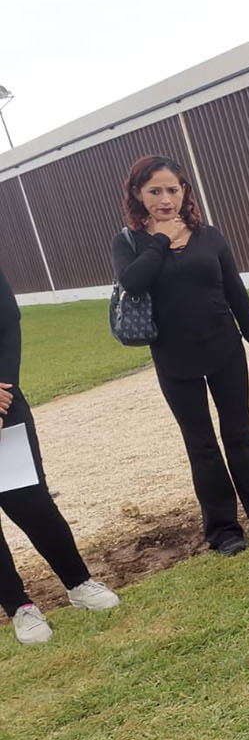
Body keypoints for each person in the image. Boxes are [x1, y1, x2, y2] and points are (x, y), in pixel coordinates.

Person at [113, 155, 249, 557]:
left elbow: (236, 294)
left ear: (184, 191)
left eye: (173, 190)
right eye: (154, 191)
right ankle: (223, 529)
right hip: (174, 361)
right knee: (202, 445)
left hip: (224, 349)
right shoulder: (129, 242)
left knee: (240, 436)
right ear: (138, 195)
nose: (165, 199)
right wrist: (161, 239)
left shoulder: (209, 236)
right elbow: (134, 281)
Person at [0, 266, 118, 644]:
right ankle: (19, 606)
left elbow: (7, 322)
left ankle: (78, 582)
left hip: (2, 407)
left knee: (32, 504)